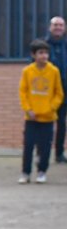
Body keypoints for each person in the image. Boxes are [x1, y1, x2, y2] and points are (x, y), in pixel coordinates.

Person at [18, 39, 64, 184]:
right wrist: (28, 109)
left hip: (48, 118)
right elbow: (23, 92)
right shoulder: (27, 71)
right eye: (41, 53)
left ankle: (42, 172)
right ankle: (26, 173)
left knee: (45, 148)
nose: (44, 56)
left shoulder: (54, 71)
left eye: (46, 53)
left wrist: (51, 107)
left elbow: (59, 93)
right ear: (33, 54)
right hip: (31, 117)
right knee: (29, 146)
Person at [43, 17, 67, 163]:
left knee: (62, 122)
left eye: (61, 25)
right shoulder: (42, 45)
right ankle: (43, 152)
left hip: (64, 89)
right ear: (50, 27)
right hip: (47, 90)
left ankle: (59, 153)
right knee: (45, 122)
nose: (58, 27)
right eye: (55, 25)